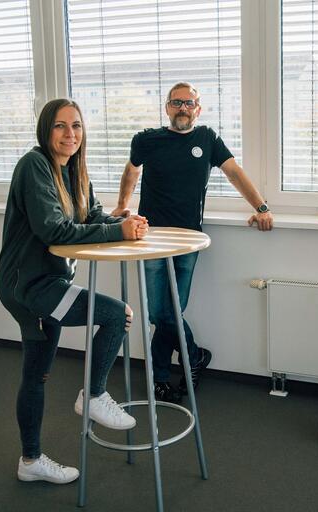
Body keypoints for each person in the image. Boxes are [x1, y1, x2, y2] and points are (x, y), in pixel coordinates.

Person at [0, 99, 149, 483]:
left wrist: (121, 220)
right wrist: (116, 231)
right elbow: (54, 230)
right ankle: (93, 394)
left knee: (37, 373)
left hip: (50, 281)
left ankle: (30, 462)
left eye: (77, 125)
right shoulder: (34, 166)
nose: (70, 134)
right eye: (60, 126)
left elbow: (91, 215)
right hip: (28, 285)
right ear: (45, 130)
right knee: (116, 314)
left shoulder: (76, 170)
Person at [111, 82, 273, 403]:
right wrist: (121, 205)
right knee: (159, 314)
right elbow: (131, 171)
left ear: (198, 109)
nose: (183, 108)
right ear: (167, 107)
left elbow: (234, 173)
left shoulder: (207, 139)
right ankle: (194, 356)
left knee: (172, 311)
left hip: (188, 240)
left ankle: (161, 378)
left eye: (189, 103)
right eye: (176, 102)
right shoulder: (146, 139)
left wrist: (261, 207)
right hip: (151, 237)